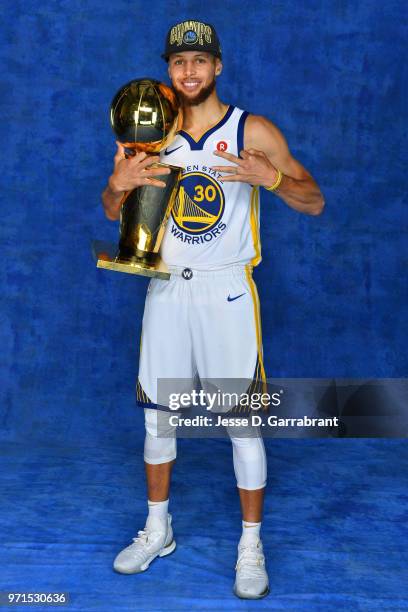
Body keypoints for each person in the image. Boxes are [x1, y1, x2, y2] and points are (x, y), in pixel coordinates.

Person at [101, 19, 324, 600]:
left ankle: (251, 545)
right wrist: (118, 183)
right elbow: (111, 211)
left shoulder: (252, 130)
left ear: (217, 67)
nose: (189, 72)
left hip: (226, 292)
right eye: (179, 63)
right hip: (168, 289)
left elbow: (314, 199)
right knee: (159, 418)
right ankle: (158, 528)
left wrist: (270, 177)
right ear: (168, 68)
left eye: (200, 61)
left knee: (241, 422)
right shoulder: (150, 131)